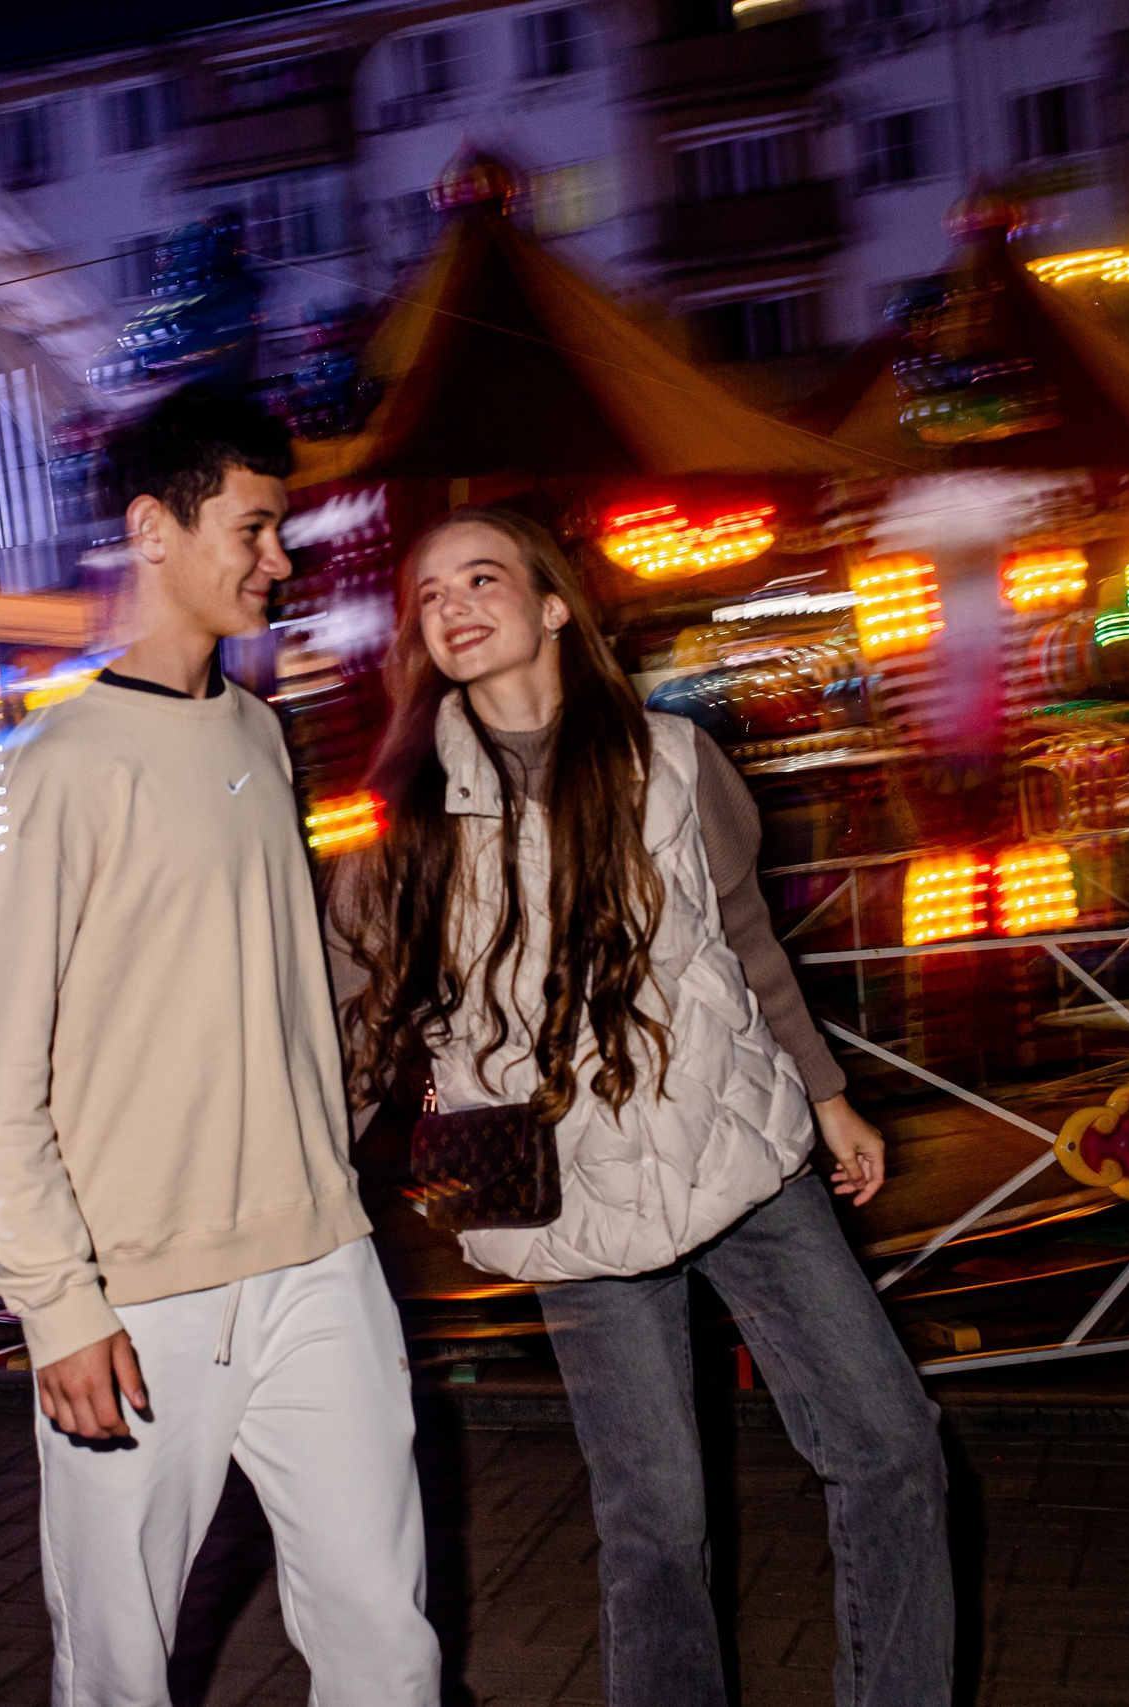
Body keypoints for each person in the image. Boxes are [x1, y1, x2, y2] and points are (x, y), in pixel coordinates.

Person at [328, 506, 952, 1707]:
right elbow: (355, 1029)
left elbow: (746, 938)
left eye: (481, 578)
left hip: (740, 1149)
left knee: (890, 1446)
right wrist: (306, 1184)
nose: (452, 605)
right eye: (428, 596)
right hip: (559, 1189)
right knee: (654, 1522)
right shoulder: (402, 827)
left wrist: (828, 1100)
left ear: (553, 605)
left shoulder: (674, 758)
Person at [0, 387, 441, 1706]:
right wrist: (56, 1302)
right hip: (138, 1294)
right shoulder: (53, 768)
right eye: (256, 527)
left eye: (281, 531)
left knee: (387, 1642)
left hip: (318, 1257)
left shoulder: (259, 734)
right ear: (152, 529)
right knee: (119, 1666)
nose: (280, 560)